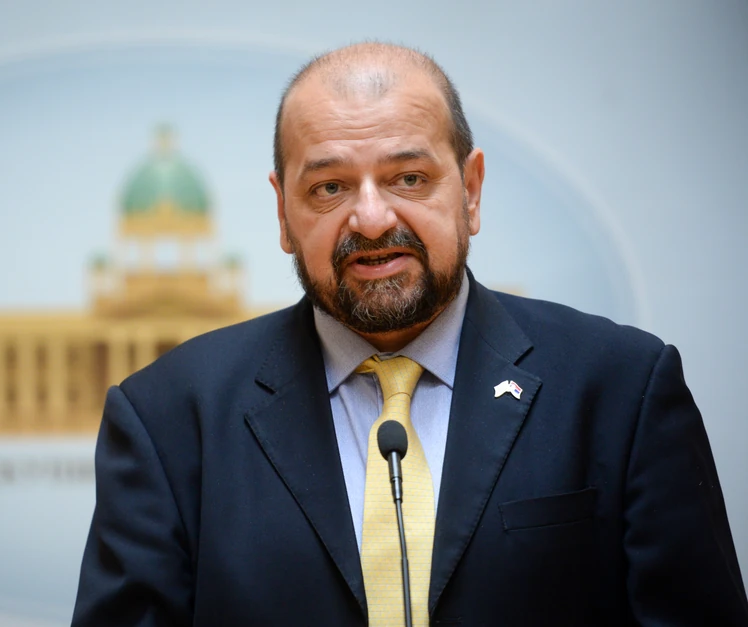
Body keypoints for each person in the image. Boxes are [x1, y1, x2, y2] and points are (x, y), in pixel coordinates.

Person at [71, 42, 748, 626]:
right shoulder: (168, 418)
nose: (371, 219)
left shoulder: (621, 388)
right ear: (282, 213)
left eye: (409, 178)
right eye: (330, 188)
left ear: (471, 190)